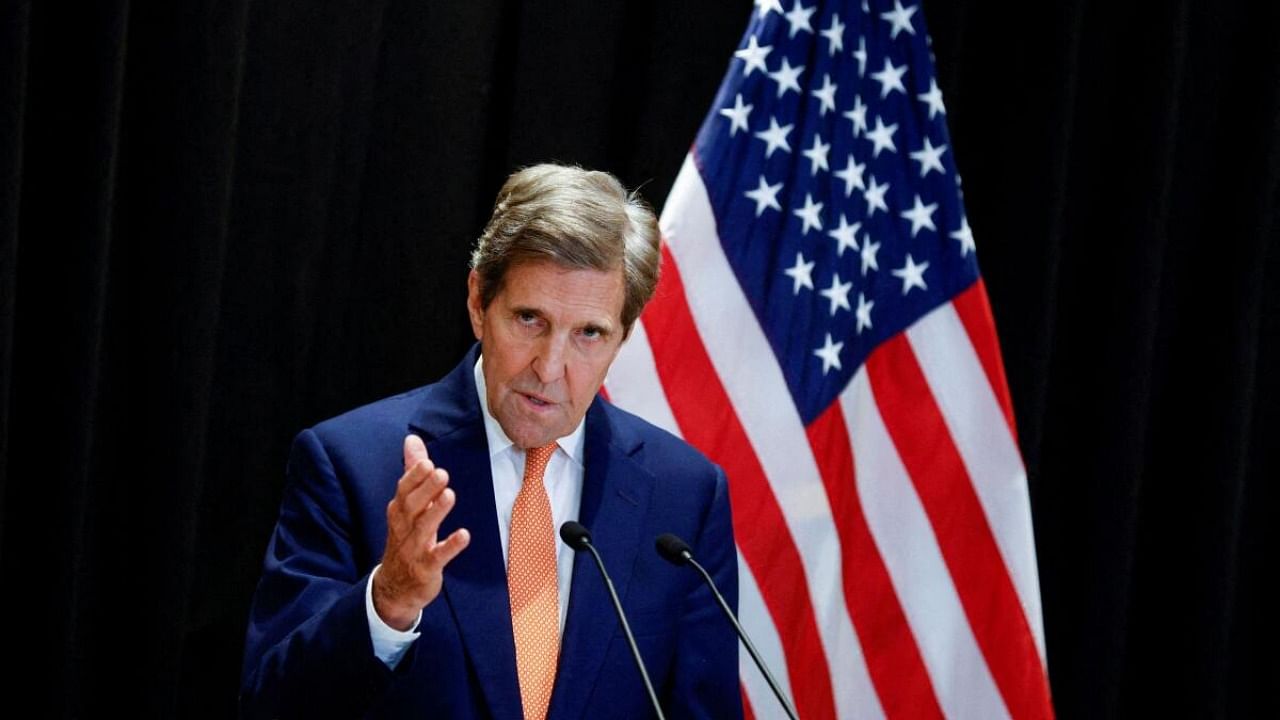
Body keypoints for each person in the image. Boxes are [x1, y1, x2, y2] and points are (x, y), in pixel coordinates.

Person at [240, 164, 742, 719]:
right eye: (530, 319)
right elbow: (271, 705)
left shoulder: (684, 497)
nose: (550, 368)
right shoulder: (351, 464)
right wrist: (388, 602)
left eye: (589, 334)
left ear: (623, 335)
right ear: (480, 302)